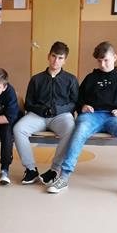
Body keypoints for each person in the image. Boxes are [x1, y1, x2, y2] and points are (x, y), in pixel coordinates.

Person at [47, 41, 117, 198]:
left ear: (115, 57)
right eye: (99, 61)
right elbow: (78, 99)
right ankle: (63, 177)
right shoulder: (90, 78)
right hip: (91, 116)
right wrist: (83, 106)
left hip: (115, 117)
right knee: (78, 131)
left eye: (106, 60)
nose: (102, 64)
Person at [13, 41, 78, 185]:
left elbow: (74, 103)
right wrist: (41, 110)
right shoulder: (36, 79)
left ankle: (54, 169)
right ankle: (31, 169)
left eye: (60, 58)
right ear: (48, 56)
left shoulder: (71, 79)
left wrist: (58, 110)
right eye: (54, 56)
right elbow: (29, 103)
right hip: (38, 116)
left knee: (70, 129)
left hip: (61, 116)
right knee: (18, 129)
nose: (56, 61)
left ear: (65, 60)